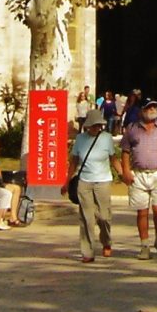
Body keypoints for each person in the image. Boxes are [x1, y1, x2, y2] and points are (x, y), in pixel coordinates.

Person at [119, 98, 157, 259]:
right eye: (148, 107)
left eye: (154, 106)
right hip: (139, 174)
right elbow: (125, 151)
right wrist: (125, 171)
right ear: (142, 110)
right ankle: (144, 245)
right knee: (142, 212)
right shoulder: (132, 129)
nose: (152, 109)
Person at [69, 109, 118, 263]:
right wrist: (66, 181)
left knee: (104, 217)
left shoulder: (107, 138)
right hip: (84, 181)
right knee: (86, 218)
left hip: (103, 181)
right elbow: (74, 162)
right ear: (88, 126)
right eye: (94, 126)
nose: (97, 128)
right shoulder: (80, 139)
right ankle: (88, 251)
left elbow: (113, 159)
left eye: (99, 126)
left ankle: (106, 241)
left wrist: (124, 174)